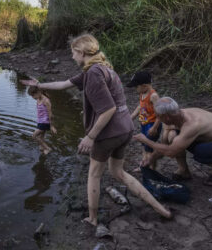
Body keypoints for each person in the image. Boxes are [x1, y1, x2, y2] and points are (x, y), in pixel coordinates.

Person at [21, 34, 171, 226]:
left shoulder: (92, 74)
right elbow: (64, 84)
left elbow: (108, 109)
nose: (72, 57)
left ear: (81, 52)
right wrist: (38, 85)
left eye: (73, 53)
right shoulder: (101, 69)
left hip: (109, 132)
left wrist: (90, 137)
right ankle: (160, 208)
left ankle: (92, 219)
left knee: (94, 175)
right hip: (125, 128)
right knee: (119, 173)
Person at [134, 97, 212, 186]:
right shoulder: (176, 116)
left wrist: (146, 140)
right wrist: (150, 160)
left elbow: (171, 152)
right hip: (208, 140)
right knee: (172, 135)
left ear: (166, 117)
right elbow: (165, 145)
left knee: (201, 150)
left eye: (157, 116)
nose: (157, 119)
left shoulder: (192, 124)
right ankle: (184, 170)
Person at [127, 71, 162, 171]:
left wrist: (155, 127)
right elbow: (140, 107)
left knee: (149, 148)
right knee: (144, 146)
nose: (135, 89)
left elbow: (160, 113)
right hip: (144, 124)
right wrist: (131, 117)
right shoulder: (143, 93)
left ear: (144, 85)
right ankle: (143, 166)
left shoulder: (153, 96)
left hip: (152, 125)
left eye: (136, 87)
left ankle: (152, 169)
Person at [28, 86, 57, 155]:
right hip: (40, 121)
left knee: (34, 136)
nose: (33, 97)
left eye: (33, 95)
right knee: (41, 137)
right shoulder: (38, 99)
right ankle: (43, 147)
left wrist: (52, 126)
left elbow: (51, 114)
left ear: (38, 92)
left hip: (45, 122)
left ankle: (47, 148)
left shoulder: (46, 101)